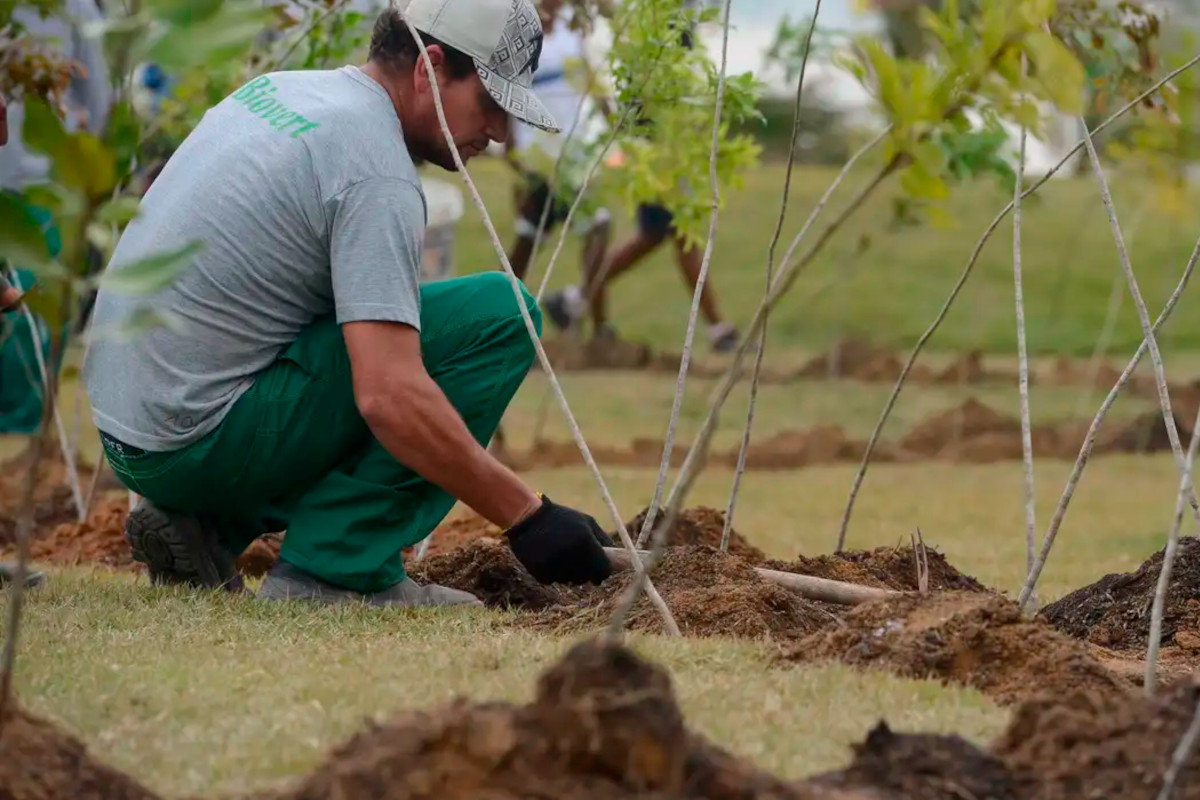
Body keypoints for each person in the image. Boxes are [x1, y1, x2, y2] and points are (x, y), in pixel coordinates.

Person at [81, 0, 615, 607]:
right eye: (491, 104)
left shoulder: (280, 91)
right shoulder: (374, 172)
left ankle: (204, 526)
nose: (498, 132)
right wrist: (529, 517)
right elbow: (389, 398)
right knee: (499, 315)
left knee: (371, 330)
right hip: (195, 438)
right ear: (431, 69)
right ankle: (335, 569)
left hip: (133, 431)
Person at [541, 4, 740, 354]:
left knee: (657, 234)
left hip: (667, 144)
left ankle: (574, 300)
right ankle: (718, 328)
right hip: (658, 150)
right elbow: (644, 88)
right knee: (680, 233)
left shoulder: (666, 19)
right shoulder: (654, 22)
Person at [502, 0, 609, 286]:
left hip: (573, 150)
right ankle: (501, 309)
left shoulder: (572, 31)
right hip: (537, 156)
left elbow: (593, 80)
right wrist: (510, 148)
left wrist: (613, 122)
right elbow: (506, 91)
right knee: (531, 239)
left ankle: (591, 317)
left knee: (594, 228)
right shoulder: (518, 35)